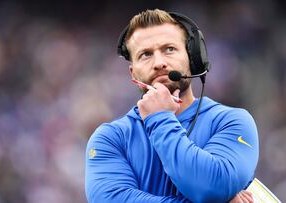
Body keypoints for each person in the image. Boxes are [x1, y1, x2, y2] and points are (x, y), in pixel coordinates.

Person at [85, 9, 259, 203]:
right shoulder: (109, 139)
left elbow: (213, 187)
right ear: (133, 74)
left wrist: (159, 119)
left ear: (192, 58)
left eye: (169, 49)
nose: (159, 63)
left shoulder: (232, 121)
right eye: (146, 54)